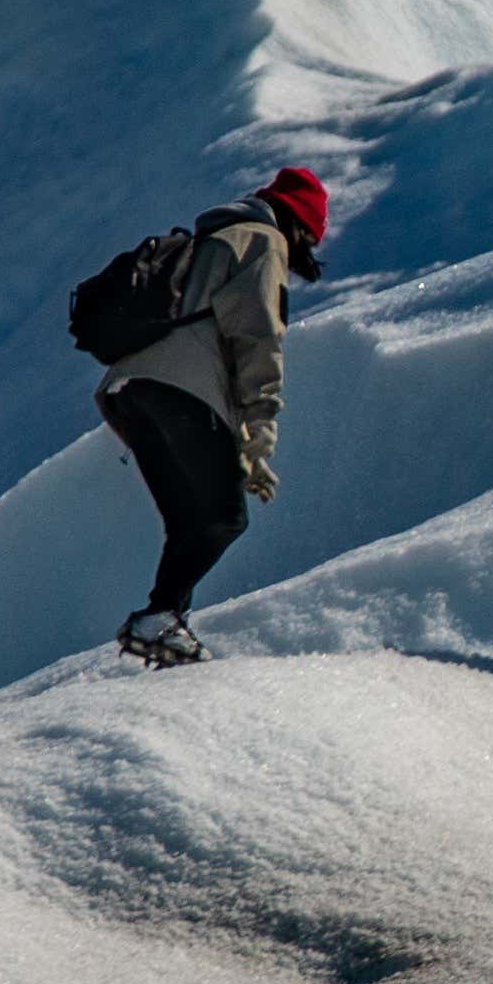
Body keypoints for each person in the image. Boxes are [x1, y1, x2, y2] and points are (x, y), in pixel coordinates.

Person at [98, 168, 330, 667]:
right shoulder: (262, 240)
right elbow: (256, 336)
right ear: (299, 227)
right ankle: (159, 619)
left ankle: (164, 622)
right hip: (178, 390)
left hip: (128, 393)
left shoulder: (213, 238)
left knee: (190, 519)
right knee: (224, 516)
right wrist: (262, 423)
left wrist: (239, 442)